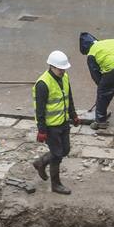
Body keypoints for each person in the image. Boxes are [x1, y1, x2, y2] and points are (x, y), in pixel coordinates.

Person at [32, 50, 79, 195]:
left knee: (65, 150)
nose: (63, 71)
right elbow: (39, 110)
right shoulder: (43, 84)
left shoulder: (64, 77)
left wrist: (73, 114)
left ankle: (41, 162)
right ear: (51, 66)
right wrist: (42, 130)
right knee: (57, 154)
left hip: (63, 122)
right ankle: (56, 184)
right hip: (51, 126)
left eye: (64, 68)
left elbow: (68, 97)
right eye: (60, 69)